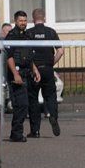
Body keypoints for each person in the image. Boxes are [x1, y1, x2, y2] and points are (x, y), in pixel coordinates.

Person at [26, 8, 64, 137]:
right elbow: (60, 51)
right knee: (50, 96)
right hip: (48, 69)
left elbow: (25, 54)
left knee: (33, 99)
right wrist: (51, 63)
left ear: (32, 19)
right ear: (45, 18)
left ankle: (35, 130)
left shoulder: (29, 33)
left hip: (34, 70)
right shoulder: (51, 32)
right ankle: (53, 116)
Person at [5, 11, 40, 142]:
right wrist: (15, 74)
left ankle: (16, 133)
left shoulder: (27, 35)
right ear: (15, 21)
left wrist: (35, 70)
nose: (23, 23)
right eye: (21, 21)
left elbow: (29, 56)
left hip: (26, 72)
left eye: (25, 21)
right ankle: (16, 133)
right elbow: (9, 57)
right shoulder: (11, 36)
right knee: (21, 104)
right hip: (16, 74)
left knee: (23, 105)